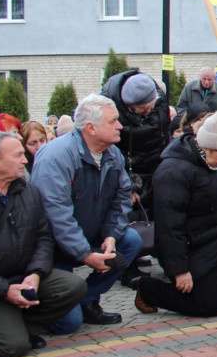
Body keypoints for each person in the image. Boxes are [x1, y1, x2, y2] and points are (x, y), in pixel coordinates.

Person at [31, 94, 145, 329]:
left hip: (89, 233)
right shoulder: (56, 157)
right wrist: (85, 255)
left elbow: (122, 197)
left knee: (130, 240)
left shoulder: (112, 154)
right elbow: (56, 215)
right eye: (113, 121)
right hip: (53, 247)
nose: (120, 126)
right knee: (67, 325)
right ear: (91, 128)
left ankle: (88, 300)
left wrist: (111, 235)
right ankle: (32, 311)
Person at [135, 111, 217, 318]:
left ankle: (206, 288)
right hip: (190, 246)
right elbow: (169, 227)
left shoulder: (211, 162)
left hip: (216, 235)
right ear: (206, 146)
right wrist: (179, 269)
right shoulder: (173, 171)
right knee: (211, 306)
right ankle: (149, 289)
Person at [0, 131, 86, 357]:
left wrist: (35, 274)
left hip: (20, 275)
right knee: (13, 347)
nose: (26, 160)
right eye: (17, 155)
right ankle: (4, 328)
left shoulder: (28, 191)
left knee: (72, 286)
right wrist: (4, 290)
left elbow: (44, 237)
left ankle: (18, 324)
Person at [101, 69, 171, 211]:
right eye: (142, 108)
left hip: (156, 166)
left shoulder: (159, 103)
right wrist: (127, 182)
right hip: (130, 171)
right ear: (129, 105)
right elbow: (111, 152)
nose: (148, 111)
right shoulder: (109, 108)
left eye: (150, 106)